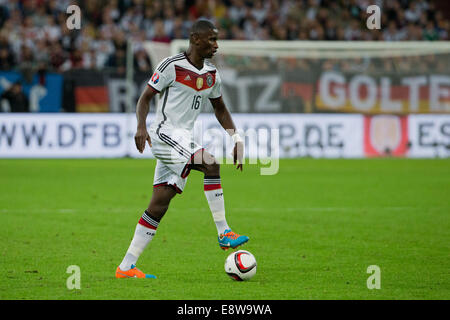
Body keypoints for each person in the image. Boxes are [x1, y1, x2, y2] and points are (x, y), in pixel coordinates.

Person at [116, 20, 249, 279]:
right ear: (195, 39)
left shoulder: (211, 75)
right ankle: (224, 232)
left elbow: (220, 108)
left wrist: (237, 138)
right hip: (164, 133)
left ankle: (126, 266)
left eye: (216, 39)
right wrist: (141, 126)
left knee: (159, 204)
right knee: (210, 162)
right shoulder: (171, 66)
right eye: (211, 39)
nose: (216, 44)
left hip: (182, 138)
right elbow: (145, 98)